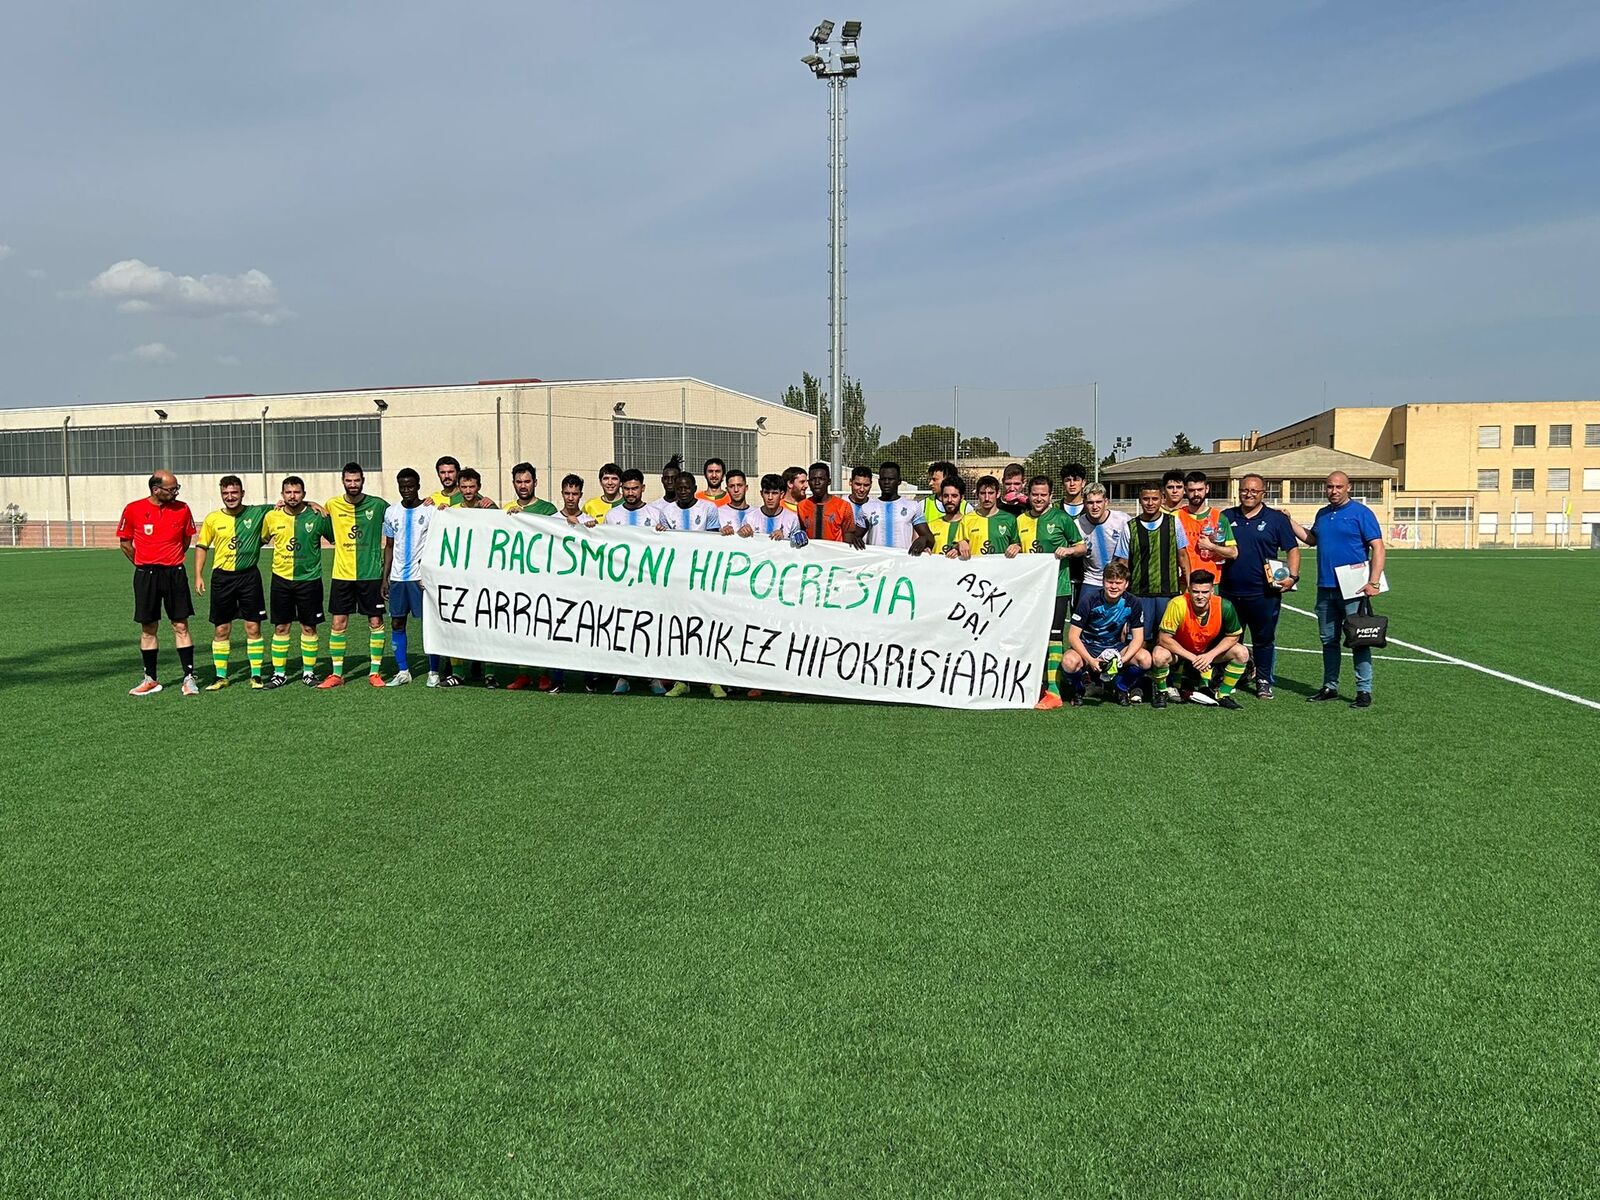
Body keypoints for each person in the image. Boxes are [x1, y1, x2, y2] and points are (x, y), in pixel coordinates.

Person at [1289, 471, 1385, 709]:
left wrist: (1373, 582)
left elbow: (1378, 547)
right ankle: (1330, 686)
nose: (1333, 491)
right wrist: (1289, 520)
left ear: (1348, 487)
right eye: (1330, 487)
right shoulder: (1322, 513)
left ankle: (1364, 691)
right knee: (1328, 640)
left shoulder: (1361, 513)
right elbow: (1312, 539)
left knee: (1358, 640)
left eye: (1338, 487)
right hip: (1326, 588)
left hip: (1354, 589)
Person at [118, 470, 199, 696]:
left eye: (176, 488)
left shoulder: (183, 509)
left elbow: (186, 539)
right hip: (146, 575)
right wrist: (143, 563)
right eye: (171, 489)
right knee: (148, 627)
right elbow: (125, 543)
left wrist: (169, 559)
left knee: (180, 625)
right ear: (156, 490)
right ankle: (150, 679)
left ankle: (189, 678)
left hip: (175, 573)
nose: (175, 492)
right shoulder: (133, 509)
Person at [1220, 473, 1301, 700]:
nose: (1249, 494)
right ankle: (1231, 677)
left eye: (1254, 491)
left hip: (1264, 593)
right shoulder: (1226, 516)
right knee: (1230, 638)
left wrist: (1293, 576)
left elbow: (1292, 549)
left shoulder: (1276, 519)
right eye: (1245, 490)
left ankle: (1263, 681)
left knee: (1263, 639)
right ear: (1239, 492)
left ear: (1263, 493)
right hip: (1229, 592)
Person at [193, 475, 272, 689]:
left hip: (249, 577)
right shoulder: (212, 519)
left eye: (234, 492)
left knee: (253, 627)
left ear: (242, 493)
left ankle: (256, 675)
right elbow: (202, 546)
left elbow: (288, 503)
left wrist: (311, 503)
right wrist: (198, 575)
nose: (230, 497)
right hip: (222, 579)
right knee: (221, 629)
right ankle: (221, 677)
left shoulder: (257, 512)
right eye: (225, 493)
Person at [1017, 475, 1087, 710]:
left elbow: (1082, 546)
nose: (1038, 499)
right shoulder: (1020, 520)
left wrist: (1069, 550)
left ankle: (1054, 692)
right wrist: (1014, 547)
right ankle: (1033, 685)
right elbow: (1015, 547)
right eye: (1035, 494)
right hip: (1029, 591)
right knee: (1031, 636)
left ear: (1050, 496)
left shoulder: (1061, 518)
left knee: (1054, 636)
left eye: (1043, 495)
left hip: (1057, 588)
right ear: (1028, 495)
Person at [318, 462, 389, 689]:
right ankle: (337, 674)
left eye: (356, 480)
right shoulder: (332, 504)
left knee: (375, 621)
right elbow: (313, 513)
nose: (353, 484)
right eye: (348, 480)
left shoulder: (378, 505)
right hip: (342, 574)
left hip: (371, 574)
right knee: (338, 623)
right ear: (343, 481)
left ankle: (375, 672)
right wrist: (309, 503)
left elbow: (402, 514)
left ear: (363, 481)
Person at [260, 476, 332, 688]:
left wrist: (313, 504)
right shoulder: (272, 516)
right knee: (281, 627)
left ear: (304, 494)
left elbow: (334, 537)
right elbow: (263, 539)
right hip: (281, 580)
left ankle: (308, 672)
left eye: (297, 492)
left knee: (309, 627)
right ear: (282, 494)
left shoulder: (317, 516)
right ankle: (279, 674)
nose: (292, 496)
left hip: (309, 580)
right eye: (288, 492)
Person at [1151, 570, 1250, 710]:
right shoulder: (1177, 604)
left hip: (1206, 651)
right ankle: (1162, 692)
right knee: (1159, 655)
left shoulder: (1224, 606)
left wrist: (1210, 655)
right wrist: (1194, 658)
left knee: (1242, 652)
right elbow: (1164, 639)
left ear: (1212, 591)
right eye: (1196, 592)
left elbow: (1234, 636)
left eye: (1205, 592)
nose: (1200, 596)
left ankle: (1223, 695)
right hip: (1179, 652)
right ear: (1189, 590)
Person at [1063, 561, 1148, 707]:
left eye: (1118, 583)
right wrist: (1090, 660)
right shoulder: (1089, 599)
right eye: (1110, 582)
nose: (1114, 586)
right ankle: (1079, 689)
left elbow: (1138, 638)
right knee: (1069, 662)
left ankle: (1121, 688)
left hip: (1115, 647)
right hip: (1088, 646)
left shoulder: (1133, 602)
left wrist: (1122, 660)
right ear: (1103, 582)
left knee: (1145, 659)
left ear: (1126, 584)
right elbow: (1073, 636)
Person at [380, 468, 433, 688]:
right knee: (397, 622)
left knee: (429, 624)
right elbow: (389, 546)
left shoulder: (430, 511)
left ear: (418, 486)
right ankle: (403, 671)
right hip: (398, 578)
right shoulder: (391, 512)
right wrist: (385, 578)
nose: (407, 490)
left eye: (410, 486)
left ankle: (434, 671)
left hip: (421, 579)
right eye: (402, 487)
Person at [1126, 482, 1188, 654]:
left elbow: (1183, 556)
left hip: (1168, 594)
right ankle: (1140, 670)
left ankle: (1167, 671)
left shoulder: (1174, 523)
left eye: (1154, 498)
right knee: (1140, 642)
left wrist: (1188, 587)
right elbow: (1123, 563)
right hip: (1139, 594)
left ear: (1162, 499)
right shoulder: (1130, 526)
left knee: (1167, 641)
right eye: (1146, 499)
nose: (1150, 503)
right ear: (1140, 500)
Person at [1074, 483, 1130, 610]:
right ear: (1084, 503)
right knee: (1083, 615)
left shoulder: (1122, 520)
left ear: (1106, 502)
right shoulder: (1077, 525)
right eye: (1090, 502)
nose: (1095, 507)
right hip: (1092, 580)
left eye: (1098, 502)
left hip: (1117, 580)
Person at [1176, 471, 1235, 587]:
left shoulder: (1219, 517)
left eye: (1200, 489)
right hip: (1183, 582)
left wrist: (1211, 546)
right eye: (1191, 490)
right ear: (1185, 490)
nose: (1196, 494)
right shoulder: (1177, 516)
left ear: (1207, 489)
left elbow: (1233, 552)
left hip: (1211, 583)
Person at [861, 461, 931, 553]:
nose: (886, 482)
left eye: (891, 479)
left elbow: (929, 537)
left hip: (902, 561)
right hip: (877, 560)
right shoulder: (867, 508)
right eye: (883, 479)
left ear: (899, 481)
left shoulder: (913, 506)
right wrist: (854, 539)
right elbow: (854, 537)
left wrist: (924, 539)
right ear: (879, 481)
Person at [925, 476, 987, 560]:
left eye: (954, 496)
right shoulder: (931, 526)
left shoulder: (973, 523)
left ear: (962, 498)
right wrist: (924, 551)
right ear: (941, 497)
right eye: (946, 496)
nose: (949, 500)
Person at [796, 462, 858, 543]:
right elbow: (800, 532)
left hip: (834, 551)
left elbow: (848, 535)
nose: (817, 482)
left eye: (821, 479)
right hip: (810, 551)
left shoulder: (843, 506)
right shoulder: (801, 506)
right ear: (809, 482)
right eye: (813, 479)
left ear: (829, 481)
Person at [732, 474, 802, 539]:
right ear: (761, 494)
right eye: (767, 493)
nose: (770, 497)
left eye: (774, 493)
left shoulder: (792, 518)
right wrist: (741, 533)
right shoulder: (750, 518)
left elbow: (797, 544)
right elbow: (742, 543)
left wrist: (784, 539)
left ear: (781, 494)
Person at [1057, 463, 1089, 596]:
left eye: (1076, 480)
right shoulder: (1054, 508)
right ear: (1063, 483)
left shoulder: (1091, 508)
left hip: (1087, 574)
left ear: (1083, 482)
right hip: (1060, 572)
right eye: (1067, 480)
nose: (1072, 484)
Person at [969, 475, 1021, 557]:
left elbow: (1017, 544)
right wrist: (960, 544)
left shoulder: (1010, 519)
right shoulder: (966, 519)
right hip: (976, 565)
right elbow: (958, 545)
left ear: (998, 494)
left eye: (991, 493)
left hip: (1001, 565)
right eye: (983, 493)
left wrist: (1017, 546)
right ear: (977, 495)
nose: (987, 498)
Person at [655, 471, 723, 532]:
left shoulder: (708, 508)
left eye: (687, 488)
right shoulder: (666, 511)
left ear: (695, 488)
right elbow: (666, 538)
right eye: (679, 489)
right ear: (675, 490)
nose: (683, 492)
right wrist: (660, 530)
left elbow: (712, 536)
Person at [718, 470, 753, 535]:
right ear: (727, 490)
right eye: (731, 486)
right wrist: (720, 532)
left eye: (739, 485)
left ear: (746, 488)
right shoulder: (718, 513)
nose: (736, 490)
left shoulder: (756, 512)